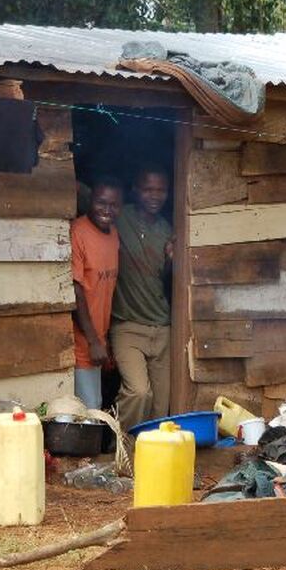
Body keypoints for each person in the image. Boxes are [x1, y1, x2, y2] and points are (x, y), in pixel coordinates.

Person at [110, 164, 174, 431]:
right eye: (148, 189)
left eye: (161, 190)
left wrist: (172, 261)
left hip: (162, 328)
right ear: (135, 190)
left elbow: (170, 281)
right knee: (139, 393)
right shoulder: (117, 216)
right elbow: (89, 195)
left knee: (161, 407)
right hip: (127, 326)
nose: (155, 195)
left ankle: (151, 459)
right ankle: (121, 449)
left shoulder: (167, 229)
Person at [72, 179, 123, 410]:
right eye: (101, 203)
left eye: (113, 205)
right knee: (89, 409)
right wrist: (93, 341)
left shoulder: (113, 234)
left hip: (99, 339)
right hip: (82, 340)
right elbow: (76, 290)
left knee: (98, 404)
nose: (107, 210)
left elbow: (107, 292)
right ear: (90, 201)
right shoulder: (79, 232)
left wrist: (105, 340)